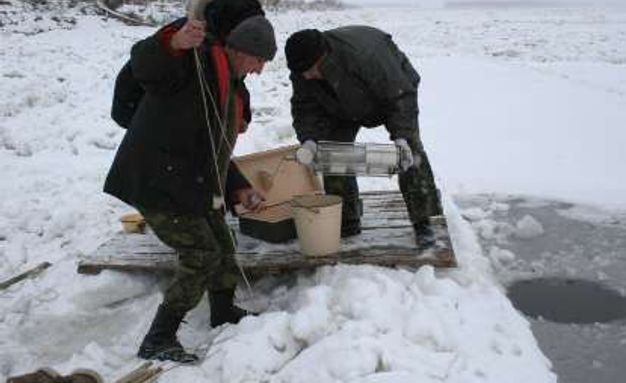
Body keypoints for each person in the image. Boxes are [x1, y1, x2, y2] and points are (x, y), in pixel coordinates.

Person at [103, 9, 277, 363]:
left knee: (222, 240)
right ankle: (158, 338)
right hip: (156, 180)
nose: (260, 69)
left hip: (185, 179)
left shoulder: (227, 81)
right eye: (259, 60)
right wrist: (172, 41)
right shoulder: (192, 64)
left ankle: (223, 311)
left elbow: (212, 151)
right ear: (242, 49)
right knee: (201, 254)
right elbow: (147, 65)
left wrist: (237, 187)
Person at [285, 26, 442, 248]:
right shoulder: (303, 68)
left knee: (409, 153)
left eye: (310, 70)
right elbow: (304, 106)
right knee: (333, 151)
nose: (307, 76)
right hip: (339, 103)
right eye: (303, 73)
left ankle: (422, 221)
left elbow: (400, 97)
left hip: (391, 93)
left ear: (324, 57)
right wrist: (309, 139)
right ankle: (346, 218)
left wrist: (402, 136)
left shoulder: (365, 56)